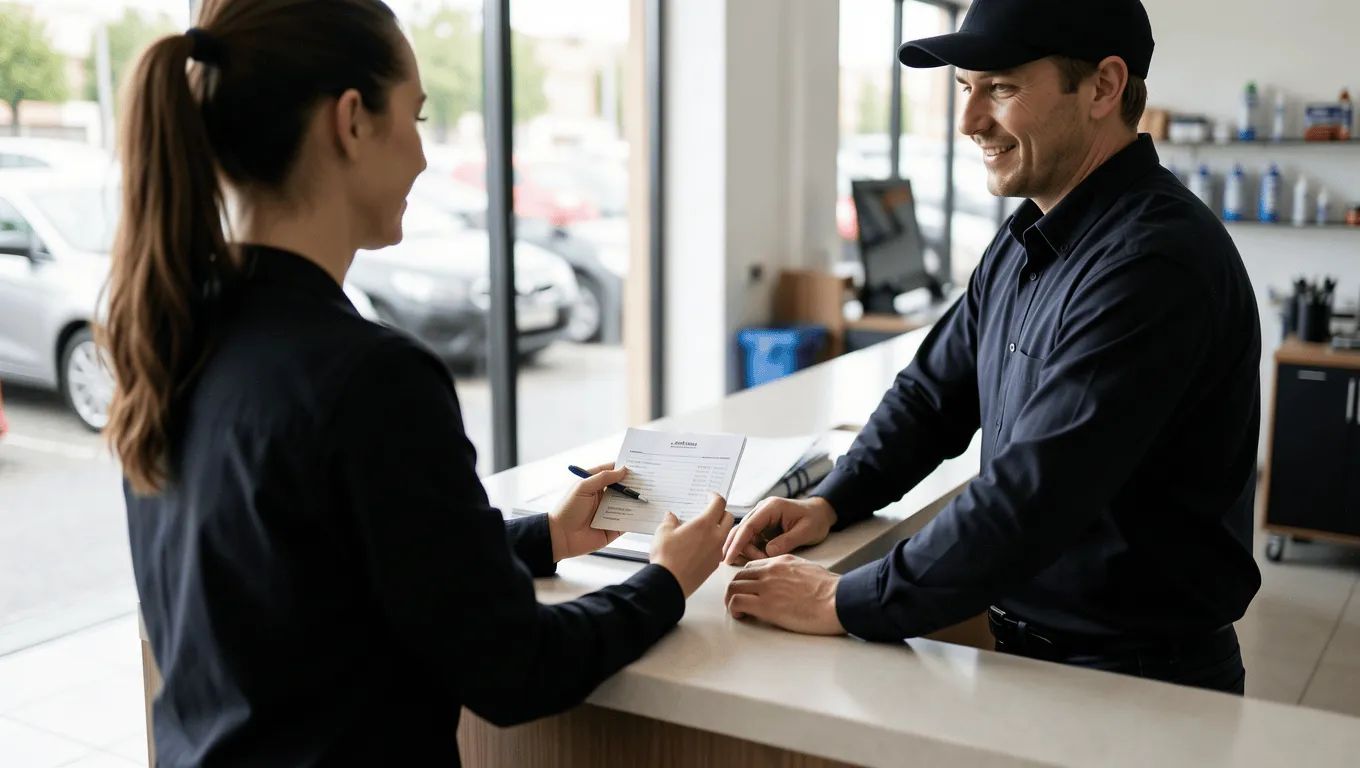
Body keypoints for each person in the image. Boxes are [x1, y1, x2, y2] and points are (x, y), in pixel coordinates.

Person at [101, 1, 732, 765]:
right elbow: (516, 668)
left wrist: (545, 538)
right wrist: (666, 581)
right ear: (352, 122)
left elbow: (320, 562)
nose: (425, 158)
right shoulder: (369, 378)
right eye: (417, 116)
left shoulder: (175, 337)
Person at [722, 0, 1261, 695]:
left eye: (1000, 89)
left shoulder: (1154, 262)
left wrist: (839, 600)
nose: (969, 121)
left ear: (1101, 87)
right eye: (964, 88)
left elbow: (1032, 496)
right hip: (1029, 653)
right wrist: (832, 499)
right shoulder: (1030, 234)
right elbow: (931, 395)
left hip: (1136, 680)